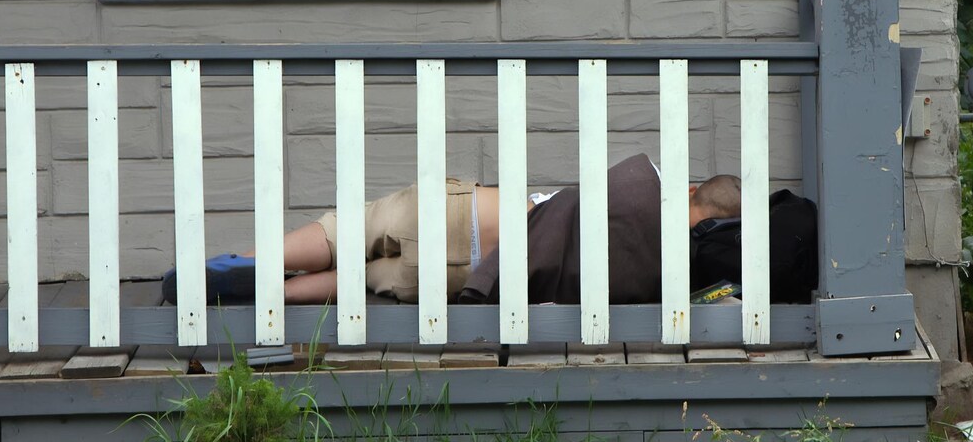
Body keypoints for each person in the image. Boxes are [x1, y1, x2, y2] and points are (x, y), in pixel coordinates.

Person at [163, 153, 741, 306]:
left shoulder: (639, 189)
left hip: (461, 213)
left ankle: (245, 265)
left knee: (347, 232)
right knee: (363, 280)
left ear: (692, 190)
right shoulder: (660, 270)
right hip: (464, 276)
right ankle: (278, 294)